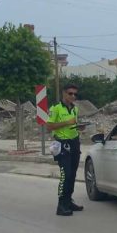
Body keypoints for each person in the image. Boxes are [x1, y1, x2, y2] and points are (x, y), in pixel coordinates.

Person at [47, 84, 86, 216]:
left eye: (75, 94)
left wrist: (78, 128)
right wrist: (66, 123)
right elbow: (49, 126)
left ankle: (69, 201)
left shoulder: (75, 109)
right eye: (70, 93)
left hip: (74, 142)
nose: (73, 96)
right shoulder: (56, 108)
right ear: (64, 93)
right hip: (62, 144)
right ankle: (61, 204)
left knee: (73, 174)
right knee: (66, 175)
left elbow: (73, 125)